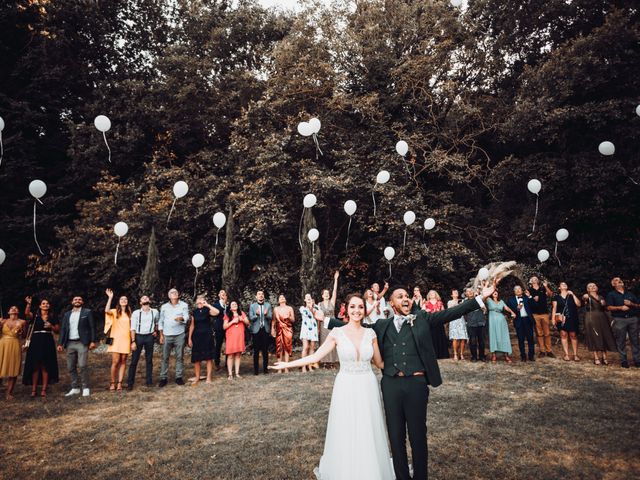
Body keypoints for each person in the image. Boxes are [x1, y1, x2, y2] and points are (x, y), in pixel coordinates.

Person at [327, 282, 496, 480]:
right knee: (396, 437)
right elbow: (356, 327)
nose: (405, 298)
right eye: (400, 296)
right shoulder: (381, 326)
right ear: (391, 303)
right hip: (391, 385)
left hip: (416, 384)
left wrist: (480, 298)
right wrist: (328, 322)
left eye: (407, 295)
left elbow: (452, 313)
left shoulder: (422, 318)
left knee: (417, 436)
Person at [270, 293, 394, 480]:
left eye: (360, 307)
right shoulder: (338, 333)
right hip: (345, 386)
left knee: (368, 427)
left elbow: (380, 363)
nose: (357, 311)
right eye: (352, 307)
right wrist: (288, 364)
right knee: (346, 427)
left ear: (364, 310)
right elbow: (315, 357)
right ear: (346, 309)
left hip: (367, 385)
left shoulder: (371, 334)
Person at [57, 296, 96, 397]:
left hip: (82, 343)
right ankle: (75, 388)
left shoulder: (87, 312)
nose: (77, 301)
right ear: (72, 302)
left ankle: (85, 387)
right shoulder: (67, 314)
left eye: (79, 299)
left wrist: (92, 341)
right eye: (75, 299)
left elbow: (92, 327)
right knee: (70, 366)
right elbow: (63, 329)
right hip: (69, 343)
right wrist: (60, 343)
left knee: (82, 365)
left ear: (82, 302)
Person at [23, 296, 59, 397]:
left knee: (45, 365)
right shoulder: (35, 316)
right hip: (35, 341)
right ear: (40, 306)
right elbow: (26, 314)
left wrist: (51, 326)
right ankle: (34, 390)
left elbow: (57, 329)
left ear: (49, 306)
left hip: (47, 341)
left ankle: (44, 389)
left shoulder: (52, 316)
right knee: (35, 365)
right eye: (43, 303)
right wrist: (29, 304)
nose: (45, 305)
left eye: (47, 303)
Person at [605, 277, 640, 368]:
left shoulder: (630, 294)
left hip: (633, 319)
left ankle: (637, 360)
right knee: (621, 341)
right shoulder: (611, 294)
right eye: (616, 280)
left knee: (635, 340)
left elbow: (638, 305)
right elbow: (608, 307)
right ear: (613, 285)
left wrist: (631, 304)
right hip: (619, 320)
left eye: (620, 280)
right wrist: (620, 307)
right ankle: (624, 361)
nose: (619, 281)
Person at [158, 288, 190, 387]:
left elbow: (187, 317)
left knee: (179, 356)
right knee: (164, 357)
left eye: (176, 292)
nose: (174, 293)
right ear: (169, 296)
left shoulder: (184, 305)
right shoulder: (164, 307)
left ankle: (178, 377)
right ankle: (163, 378)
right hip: (167, 335)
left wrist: (182, 318)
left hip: (179, 334)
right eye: (172, 292)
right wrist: (161, 335)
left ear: (178, 295)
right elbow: (161, 321)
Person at [127, 295, 158, 389]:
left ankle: (149, 381)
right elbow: (132, 328)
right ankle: (130, 383)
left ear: (149, 301)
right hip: (138, 337)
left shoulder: (155, 312)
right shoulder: (136, 313)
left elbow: (156, 322)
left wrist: (155, 331)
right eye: (143, 298)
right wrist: (133, 341)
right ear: (140, 302)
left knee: (149, 360)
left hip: (149, 337)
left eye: (146, 298)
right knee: (134, 360)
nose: (145, 299)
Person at [104, 289, 132, 391]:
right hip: (115, 339)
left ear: (127, 301)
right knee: (115, 361)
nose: (124, 300)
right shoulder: (115, 311)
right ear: (119, 301)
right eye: (122, 299)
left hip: (126, 339)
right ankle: (112, 383)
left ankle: (120, 383)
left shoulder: (130, 313)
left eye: (125, 299)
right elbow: (106, 310)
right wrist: (110, 298)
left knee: (123, 361)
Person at [582, 283, 616, 365]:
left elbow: (605, 308)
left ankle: (604, 357)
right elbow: (584, 299)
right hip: (591, 317)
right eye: (590, 286)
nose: (592, 287)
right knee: (594, 336)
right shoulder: (587, 296)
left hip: (602, 317)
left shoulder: (601, 297)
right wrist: (585, 297)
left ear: (597, 288)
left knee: (604, 335)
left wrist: (604, 304)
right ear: (588, 289)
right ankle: (596, 357)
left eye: (594, 286)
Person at [188, 295, 219, 385]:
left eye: (202, 299)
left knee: (209, 358)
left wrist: (208, 305)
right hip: (197, 337)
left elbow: (217, 312)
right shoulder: (194, 312)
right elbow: (192, 325)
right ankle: (197, 377)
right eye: (199, 299)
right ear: (196, 301)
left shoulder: (207, 310)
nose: (200, 301)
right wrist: (189, 338)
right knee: (197, 359)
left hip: (207, 336)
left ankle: (208, 377)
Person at [0, 306, 26, 400]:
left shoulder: (22, 322)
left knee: (13, 368)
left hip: (15, 344)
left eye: (16, 308)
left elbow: (24, 335)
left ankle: (9, 393)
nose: (14, 309)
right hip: (2, 344)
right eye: (12, 308)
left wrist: (21, 331)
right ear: (8, 311)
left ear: (18, 311)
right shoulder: (3, 321)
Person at [551, 282, 582, 362]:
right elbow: (554, 308)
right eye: (562, 284)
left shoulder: (571, 295)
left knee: (573, 335)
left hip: (572, 318)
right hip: (561, 319)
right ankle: (566, 355)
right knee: (563, 335)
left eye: (565, 284)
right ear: (559, 288)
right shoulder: (556, 297)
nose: (564, 285)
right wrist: (553, 319)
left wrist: (573, 294)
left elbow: (578, 304)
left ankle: (575, 354)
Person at [506, 285, 536, 362]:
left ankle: (531, 356)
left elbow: (535, 306)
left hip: (528, 320)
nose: (518, 290)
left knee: (530, 339)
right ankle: (523, 356)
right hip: (519, 321)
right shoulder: (511, 300)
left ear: (522, 290)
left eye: (519, 289)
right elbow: (509, 313)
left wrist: (530, 297)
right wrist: (517, 309)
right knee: (520, 339)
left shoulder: (527, 298)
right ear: (514, 291)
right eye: (516, 289)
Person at [528, 277, 555, 357]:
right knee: (539, 333)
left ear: (538, 281)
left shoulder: (543, 289)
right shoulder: (529, 290)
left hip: (544, 313)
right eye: (533, 278)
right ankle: (542, 351)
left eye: (536, 278)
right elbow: (527, 301)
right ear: (530, 281)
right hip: (535, 314)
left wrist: (546, 286)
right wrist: (532, 298)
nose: (535, 279)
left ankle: (549, 351)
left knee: (547, 333)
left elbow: (550, 295)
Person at [318, 271, 340, 366]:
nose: (327, 294)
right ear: (322, 296)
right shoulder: (319, 304)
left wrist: (335, 279)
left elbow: (335, 291)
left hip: (332, 323)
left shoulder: (332, 302)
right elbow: (318, 317)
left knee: (333, 340)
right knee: (324, 341)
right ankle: (325, 361)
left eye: (328, 293)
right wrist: (318, 327)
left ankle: (333, 361)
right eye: (325, 293)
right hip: (323, 325)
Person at [249, 290, 273, 375]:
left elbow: (270, 317)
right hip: (256, 330)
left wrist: (266, 314)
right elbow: (251, 318)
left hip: (265, 330)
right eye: (259, 294)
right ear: (256, 297)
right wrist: (256, 314)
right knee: (256, 351)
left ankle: (265, 369)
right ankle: (256, 370)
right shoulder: (252, 306)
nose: (261, 295)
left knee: (265, 350)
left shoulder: (268, 305)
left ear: (264, 296)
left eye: (262, 294)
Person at [487, 290, 515, 363]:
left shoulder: (501, 301)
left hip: (501, 320)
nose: (495, 293)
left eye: (496, 292)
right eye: (493, 292)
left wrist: (512, 312)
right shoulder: (488, 300)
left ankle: (506, 355)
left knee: (504, 336)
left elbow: (507, 308)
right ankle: (494, 355)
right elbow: (484, 293)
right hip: (492, 320)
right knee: (493, 336)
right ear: (491, 294)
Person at [224, 301, 249, 379]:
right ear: (230, 307)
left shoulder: (241, 313)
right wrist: (232, 321)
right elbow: (224, 327)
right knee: (230, 355)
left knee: (238, 355)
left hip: (239, 336)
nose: (234, 305)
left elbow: (247, 323)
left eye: (235, 304)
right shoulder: (227, 315)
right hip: (231, 336)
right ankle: (230, 374)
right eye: (232, 304)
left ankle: (237, 373)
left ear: (238, 306)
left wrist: (242, 320)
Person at [272, 294, 295, 373]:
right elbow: (274, 320)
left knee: (287, 347)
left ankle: (286, 367)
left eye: (283, 297)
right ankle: (279, 368)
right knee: (279, 347)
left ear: (285, 299)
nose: (282, 298)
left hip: (288, 328)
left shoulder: (289, 308)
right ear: (278, 300)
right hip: (279, 329)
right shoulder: (276, 309)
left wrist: (289, 317)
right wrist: (272, 329)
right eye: (280, 297)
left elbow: (293, 320)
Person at [464, 287, 487, 362]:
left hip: (481, 322)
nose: (470, 292)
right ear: (466, 294)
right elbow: (464, 313)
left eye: (471, 291)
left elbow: (485, 309)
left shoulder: (479, 299)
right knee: (473, 341)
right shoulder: (465, 302)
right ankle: (474, 357)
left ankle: (482, 356)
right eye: (468, 291)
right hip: (471, 323)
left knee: (482, 341)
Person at [424, 290, 449, 359]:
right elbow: (423, 312)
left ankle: (441, 354)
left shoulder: (439, 303)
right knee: (432, 337)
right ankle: (433, 355)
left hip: (439, 322)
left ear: (436, 295)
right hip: (430, 323)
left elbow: (443, 312)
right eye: (431, 294)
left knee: (440, 337)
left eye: (433, 293)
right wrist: (426, 311)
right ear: (429, 295)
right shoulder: (426, 303)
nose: (432, 294)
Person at [299, 294, 321, 372]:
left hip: (313, 328)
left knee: (312, 348)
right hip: (305, 329)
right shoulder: (302, 308)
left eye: (310, 297)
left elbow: (317, 316)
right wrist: (310, 306)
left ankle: (310, 366)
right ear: (305, 299)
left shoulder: (317, 307)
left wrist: (313, 306)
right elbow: (307, 314)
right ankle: (303, 367)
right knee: (305, 347)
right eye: (307, 297)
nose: (308, 298)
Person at [447, 289, 468, 361]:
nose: (456, 293)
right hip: (454, 320)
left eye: (457, 292)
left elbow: (464, 309)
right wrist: (457, 304)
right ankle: (455, 354)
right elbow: (449, 310)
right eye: (454, 292)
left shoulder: (462, 301)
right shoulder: (450, 302)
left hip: (461, 320)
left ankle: (461, 354)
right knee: (455, 338)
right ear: (452, 295)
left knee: (463, 338)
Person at [212, 289, 229, 371]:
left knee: (228, 345)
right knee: (218, 345)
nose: (223, 294)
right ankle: (217, 363)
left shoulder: (228, 305)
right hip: (219, 327)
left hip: (228, 327)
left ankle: (227, 363)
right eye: (221, 292)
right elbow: (214, 314)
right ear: (219, 295)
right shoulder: (215, 305)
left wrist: (226, 304)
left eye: (224, 293)